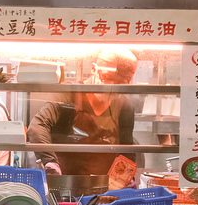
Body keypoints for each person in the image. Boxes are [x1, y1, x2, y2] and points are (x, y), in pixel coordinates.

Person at [26, 48, 139, 176]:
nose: (111, 86)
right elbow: (38, 126)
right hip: (66, 186)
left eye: (121, 83)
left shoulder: (125, 108)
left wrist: (124, 178)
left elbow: (127, 150)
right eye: (107, 77)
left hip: (106, 191)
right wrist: (50, 162)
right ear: (93, 69)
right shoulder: (69, 95)